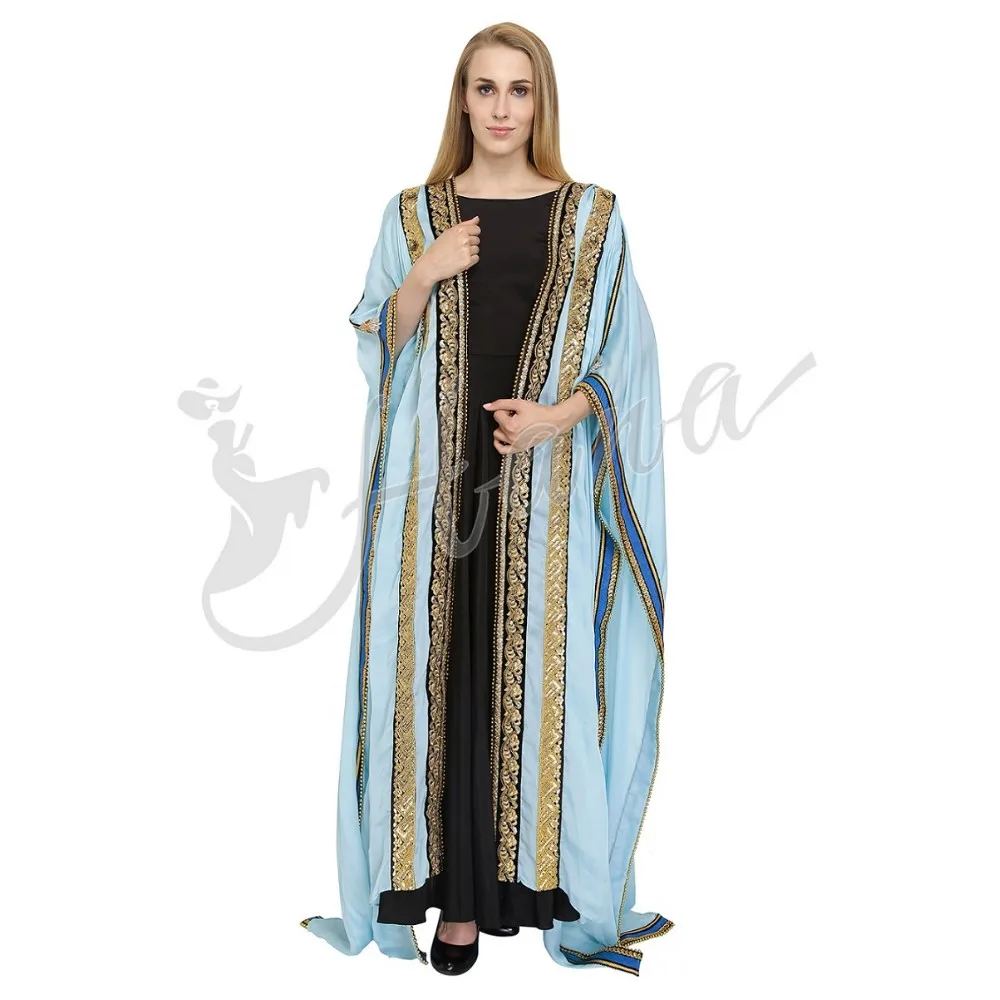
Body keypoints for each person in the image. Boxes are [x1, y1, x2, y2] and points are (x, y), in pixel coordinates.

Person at [301, 21, 673, 976]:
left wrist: (557, 417)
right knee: (445, 686)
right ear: (461, 100)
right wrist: (422, 276)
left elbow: (627, 361)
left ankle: (533, 888)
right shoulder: (414, 215)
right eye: (484, 88)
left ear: (540, 101)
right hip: (434, 501)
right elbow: (380, 340)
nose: (501, 108)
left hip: (545, 494)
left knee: (536, 685)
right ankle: (456, 906)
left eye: (520, 90)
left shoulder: (593, 216)